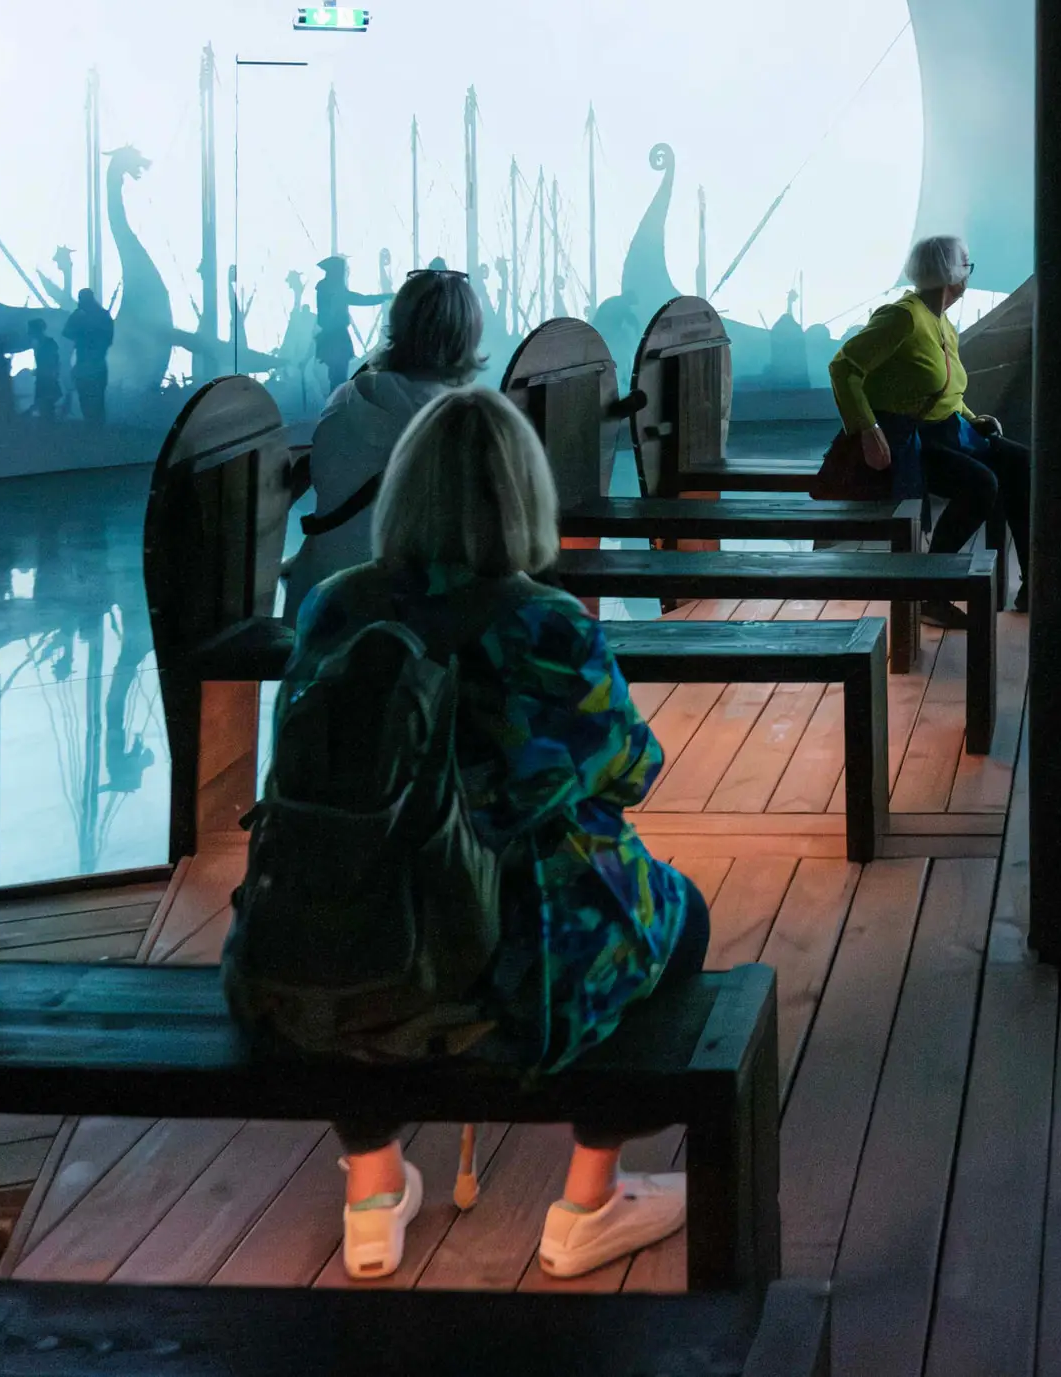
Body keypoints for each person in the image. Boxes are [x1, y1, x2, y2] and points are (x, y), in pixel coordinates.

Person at [245, 387, 707, 1281]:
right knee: (679, 919)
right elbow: (630, 766)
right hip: (510, 968)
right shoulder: (548, 623)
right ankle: (590, 1200)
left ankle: (372, 1188)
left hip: (343, 937)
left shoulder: (335, 607)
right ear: (523, 496)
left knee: (352, 928)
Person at [828, 235, 1030, 621]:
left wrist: (972, 418)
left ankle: (1034, 583)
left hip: (948, 430)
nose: (969, 272)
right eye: (965, 264)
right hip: (911, 438)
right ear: (952, 273)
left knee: (1022, 463)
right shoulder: (902, 317)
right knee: (981, 484)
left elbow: (945, 390)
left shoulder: (941, 321)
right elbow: (843, 367)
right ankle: (930, 592)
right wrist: (867, 428)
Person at [285, 269, 486, 614]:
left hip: (317, 609)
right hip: (402, 621)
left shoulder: (345, 398)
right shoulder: (461, 422)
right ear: (465, 336)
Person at [314, 256, 394, 390]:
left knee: (336, 377)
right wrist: (385, 297)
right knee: (338, 378)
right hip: (336, 340)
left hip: (332, 339)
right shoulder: (332, 289)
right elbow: (361, 299)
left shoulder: (327, 288)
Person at [64, 288, 115, 425]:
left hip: (92, 364)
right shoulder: (102, 315)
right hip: (91, 364)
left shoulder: (95, 316)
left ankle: (95, 427)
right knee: (90, 398)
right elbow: (67, 332)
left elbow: (67, 333)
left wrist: (85, 334)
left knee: (91, 398)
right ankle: (94, 427)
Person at [26, 319, 62, 420]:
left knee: (46, 407)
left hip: (47, 378)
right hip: (44, 378)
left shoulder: (48, 343)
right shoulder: (42, 343)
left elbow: (53, 362)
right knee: (46, 408)